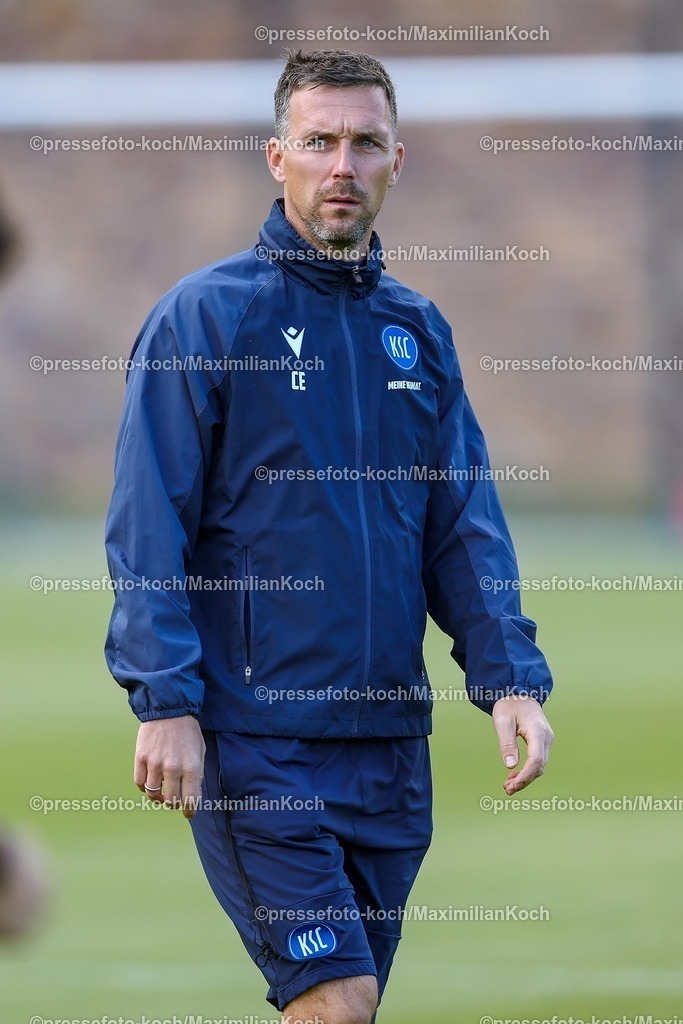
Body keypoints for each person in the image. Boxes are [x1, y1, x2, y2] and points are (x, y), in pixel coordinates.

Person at [105, 48, 554, 1024]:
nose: (341, 165)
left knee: (347, 1008)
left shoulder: (417, 332)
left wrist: (510, 679)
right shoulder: (205, 318)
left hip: (390, 747)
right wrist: (164, 699)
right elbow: (148, 522)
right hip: (257, 743)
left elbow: (460, 526)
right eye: (318, 142)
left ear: (397, 160)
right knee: (336, 1002)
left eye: (363, 143)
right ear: (277, 158)